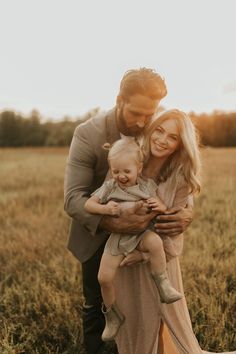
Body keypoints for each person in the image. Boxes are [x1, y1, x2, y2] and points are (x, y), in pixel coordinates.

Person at [64, 68, 194, 354]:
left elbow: (173, 171)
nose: (143, 121)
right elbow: (73, 198)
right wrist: (116, 222)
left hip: (145, 235)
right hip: (96, 234)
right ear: (119, 99)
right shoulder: (88, 133)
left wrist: (186, 212)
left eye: (150, 113)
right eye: (136, 113)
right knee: (97, 304)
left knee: (143, 308)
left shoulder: (153, 125)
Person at [114, 109, 234, 354]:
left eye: (172, 137)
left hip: (160, 262)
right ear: (150, 129)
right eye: (159, 130)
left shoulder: (180, 178)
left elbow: (174, 237)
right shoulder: (131, 161)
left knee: (161, 321)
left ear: (181, 144)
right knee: (134, 325)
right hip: (124, 258)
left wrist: (145, 254)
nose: (162, 139)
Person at [85, 139, 182, 341]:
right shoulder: (109, 187)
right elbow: (88, 204)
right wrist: (104, 209)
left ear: (139, 168)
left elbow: (162, 209)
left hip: (140, 235)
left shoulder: (147, 186)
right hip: (118, 238)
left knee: (154, 242)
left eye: (126, 171)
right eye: (116, 171)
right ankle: (112, 315)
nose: (120, 176)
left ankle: (163, 284)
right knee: (103, 278)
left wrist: (161, 205)